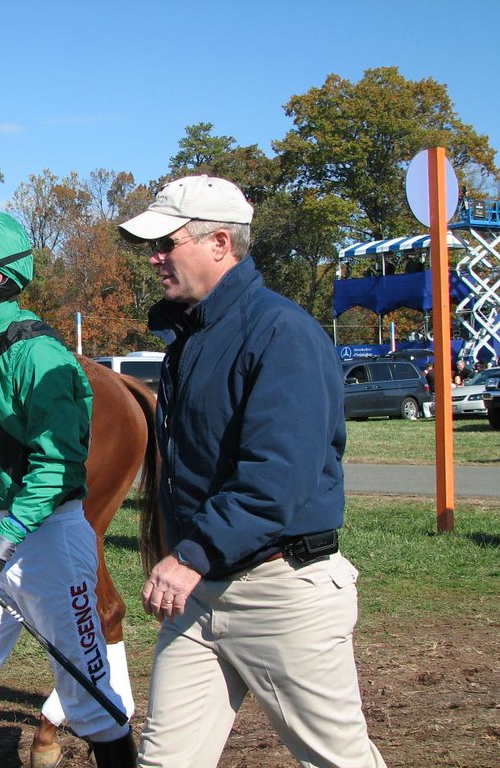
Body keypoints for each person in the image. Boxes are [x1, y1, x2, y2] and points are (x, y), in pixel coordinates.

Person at [118, 176, 386, 768]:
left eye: (167, 241)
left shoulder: (282, 332)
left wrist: (190, 554)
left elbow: (277, 477)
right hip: (202, 593)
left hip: (281, 590)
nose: (155, 257)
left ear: (220, 243)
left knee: (337, 760)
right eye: (153, 245)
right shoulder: (190, 335)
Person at [0, 209, 135, 768]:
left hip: (47, 541)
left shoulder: (40, 355)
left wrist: (3, 540)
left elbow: (59, 466)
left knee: (91, 702)